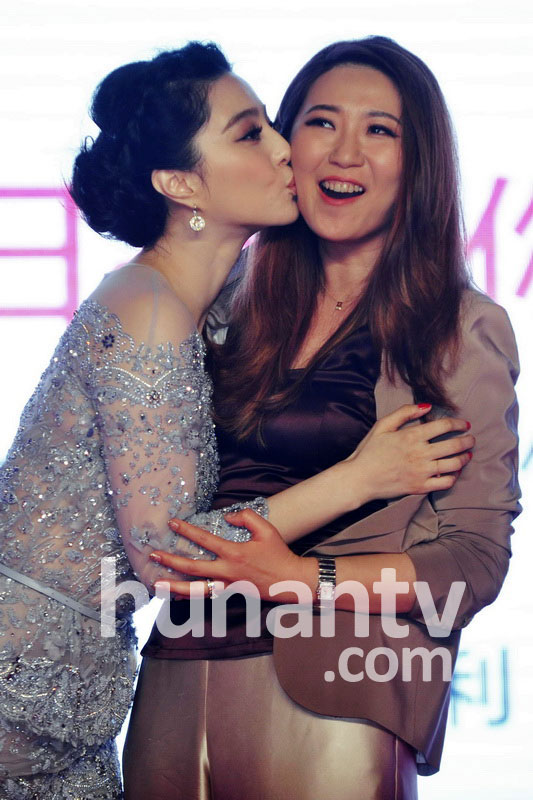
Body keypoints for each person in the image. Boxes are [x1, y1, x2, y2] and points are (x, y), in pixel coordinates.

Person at [0, 41, 472, 799]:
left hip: (77, 701)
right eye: (250, 134)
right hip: (23, 694)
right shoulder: (149, 311)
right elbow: (166, 559)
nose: (285, 150)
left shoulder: (210, 307)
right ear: (181, 184)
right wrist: (359, 478)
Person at [124, 37, 520, 799]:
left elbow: (472, 561)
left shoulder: (459, 328)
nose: (344, 153)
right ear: (284, 145)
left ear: (417, 163)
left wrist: (303, 577)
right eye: (320, 122)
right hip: (176, 671)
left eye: (379, 130)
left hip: (340, 693)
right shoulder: (218, 306)